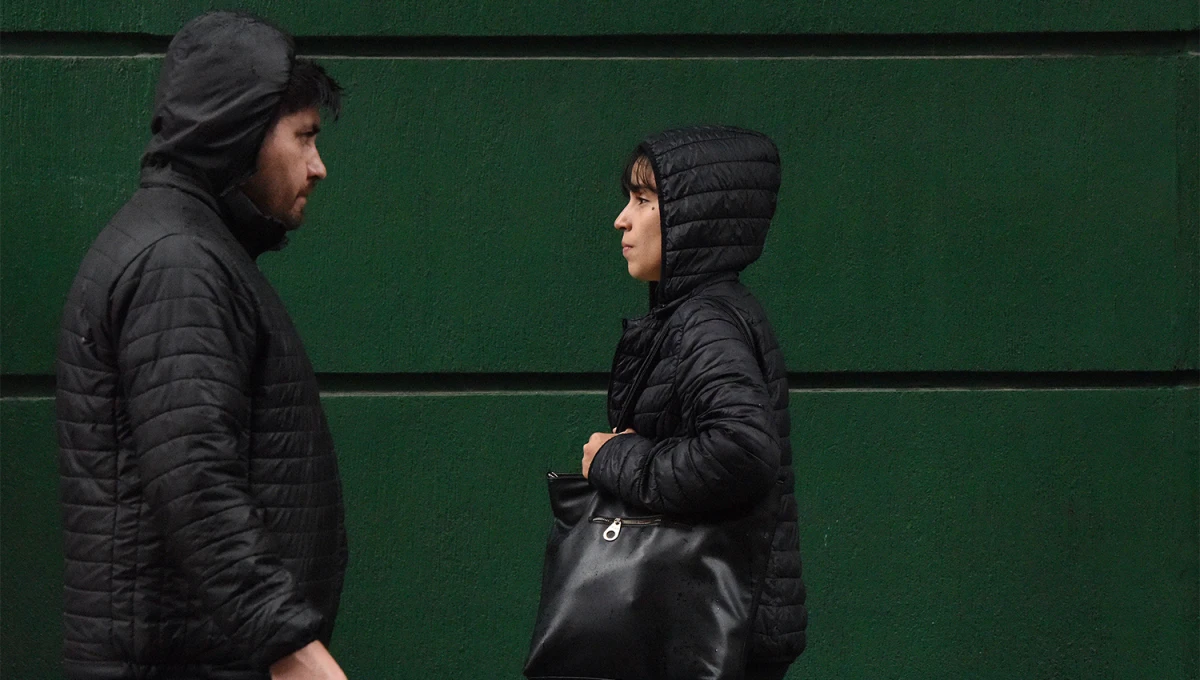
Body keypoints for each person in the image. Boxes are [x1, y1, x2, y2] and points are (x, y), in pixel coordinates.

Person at [56, 12, 348, 680]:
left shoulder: (189, 249)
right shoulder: (179, 263)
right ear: (237, 132)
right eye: (304, 138)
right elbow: (195, 478)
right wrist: (289, 646)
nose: (318, 166)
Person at [581, 126, 807, 679]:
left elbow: (740, 451)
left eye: (642, 201)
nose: (622, 219)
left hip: (709, 635)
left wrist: (616, 459)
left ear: (691, 219)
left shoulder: (704, 321)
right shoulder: (702, 313)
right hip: (712, 626)